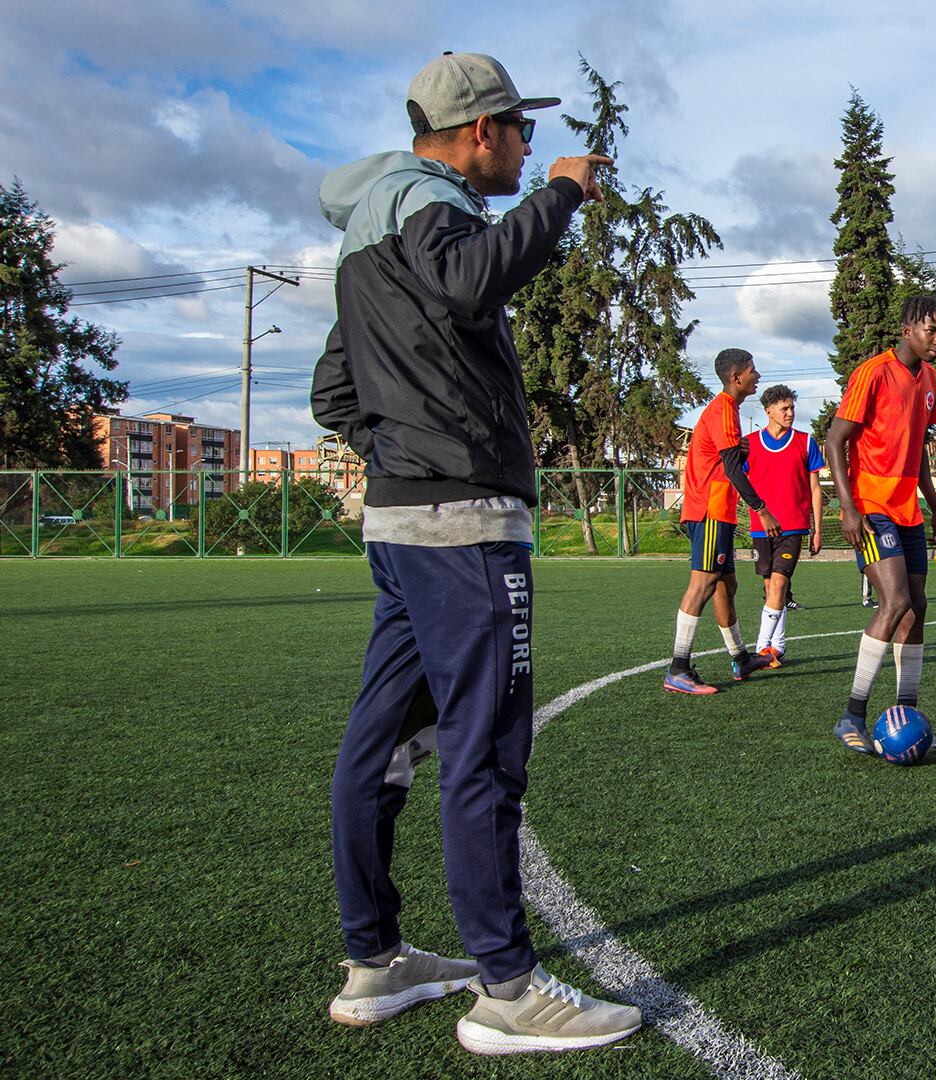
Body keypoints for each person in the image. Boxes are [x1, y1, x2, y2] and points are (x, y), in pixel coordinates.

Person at [311, 52, 641, 1053]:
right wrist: (562, 195)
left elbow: (334, 391)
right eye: (521, 129)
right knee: (486, 750)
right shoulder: (431, 205)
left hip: (407, 523)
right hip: (462, 526)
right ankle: (506, 987)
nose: (534, 145)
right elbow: (473, 276)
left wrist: (404, 452)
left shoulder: (373, 224)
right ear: (478, 131)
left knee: (381, 743)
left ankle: (375, 962)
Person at [823, 296, 936, 753]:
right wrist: (847, 506)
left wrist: (935, 506)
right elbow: (835, 439)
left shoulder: (932, 380)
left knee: (917, 607)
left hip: (908, 508)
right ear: (906, 330)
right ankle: (852, 714)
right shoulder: (872, 372)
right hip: (871, 504)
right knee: (895, 600)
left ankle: (908, 715)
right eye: (931, 331)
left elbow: (916, 448)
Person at [664, 349, 780, 694]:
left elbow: (726, 456)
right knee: (702, 584)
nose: (757, 376)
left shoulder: (726, 411)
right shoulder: (724, 409)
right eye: (752, 370)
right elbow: (731, 466)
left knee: (726, 585)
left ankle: (740, 658)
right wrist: (761, 508)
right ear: (736, 377)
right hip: (709, 511)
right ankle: (678, 669)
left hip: (719, 512)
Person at [745, 384, 825, 665]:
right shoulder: (749, 443)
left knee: (779, 584)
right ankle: (777, 647)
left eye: (792, 407)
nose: (790, 413)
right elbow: (740, 483)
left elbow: (816, 489)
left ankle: (757, 652)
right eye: (784, 408)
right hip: (761, 527)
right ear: (768, 411)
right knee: (771, 589)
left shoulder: (805, 442)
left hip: (793, 526)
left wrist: (817, 529)